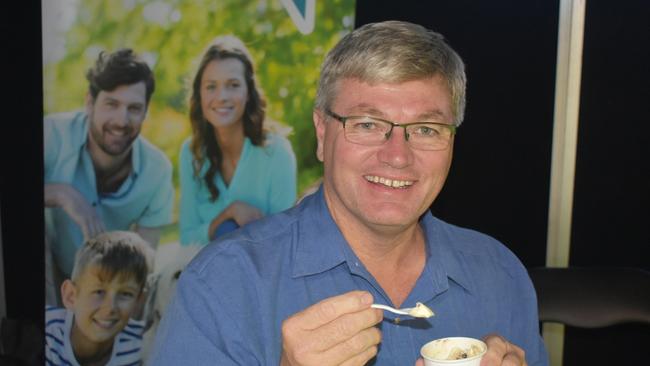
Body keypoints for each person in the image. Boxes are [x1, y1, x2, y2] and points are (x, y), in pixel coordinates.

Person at [149, 21, 549, 365]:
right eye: (367, 124)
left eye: (426, 130)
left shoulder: (501, 276)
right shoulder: (222, 284)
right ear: (322, 133)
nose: (397, 156)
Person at [44, 49, 174, 305]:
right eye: (111, 104)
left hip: (107, 288)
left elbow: (144, 264)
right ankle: (45, 326)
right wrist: (62, 193)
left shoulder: (157, 170)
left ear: (146, 112)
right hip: (48, 272)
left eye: (134, 108)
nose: (121, 120)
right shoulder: (51, 134)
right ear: (90, 103)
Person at [178, 35, 297, 245]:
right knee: (227, 228)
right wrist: (227, 215)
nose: (222, 96)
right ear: (199, 94)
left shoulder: (277, 152)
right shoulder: (191, 153)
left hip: (262, 270)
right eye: (211, 86)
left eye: (233, 85)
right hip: (206, 270)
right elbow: (187, 239)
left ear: (248, 93)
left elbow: (286, 240)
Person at [45, 231, 153, 366]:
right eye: (99, 292)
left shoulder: (143, 346)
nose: (110, 307)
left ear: (139, 301)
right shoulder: (44, 337)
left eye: (126, 294)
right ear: (70, 296)